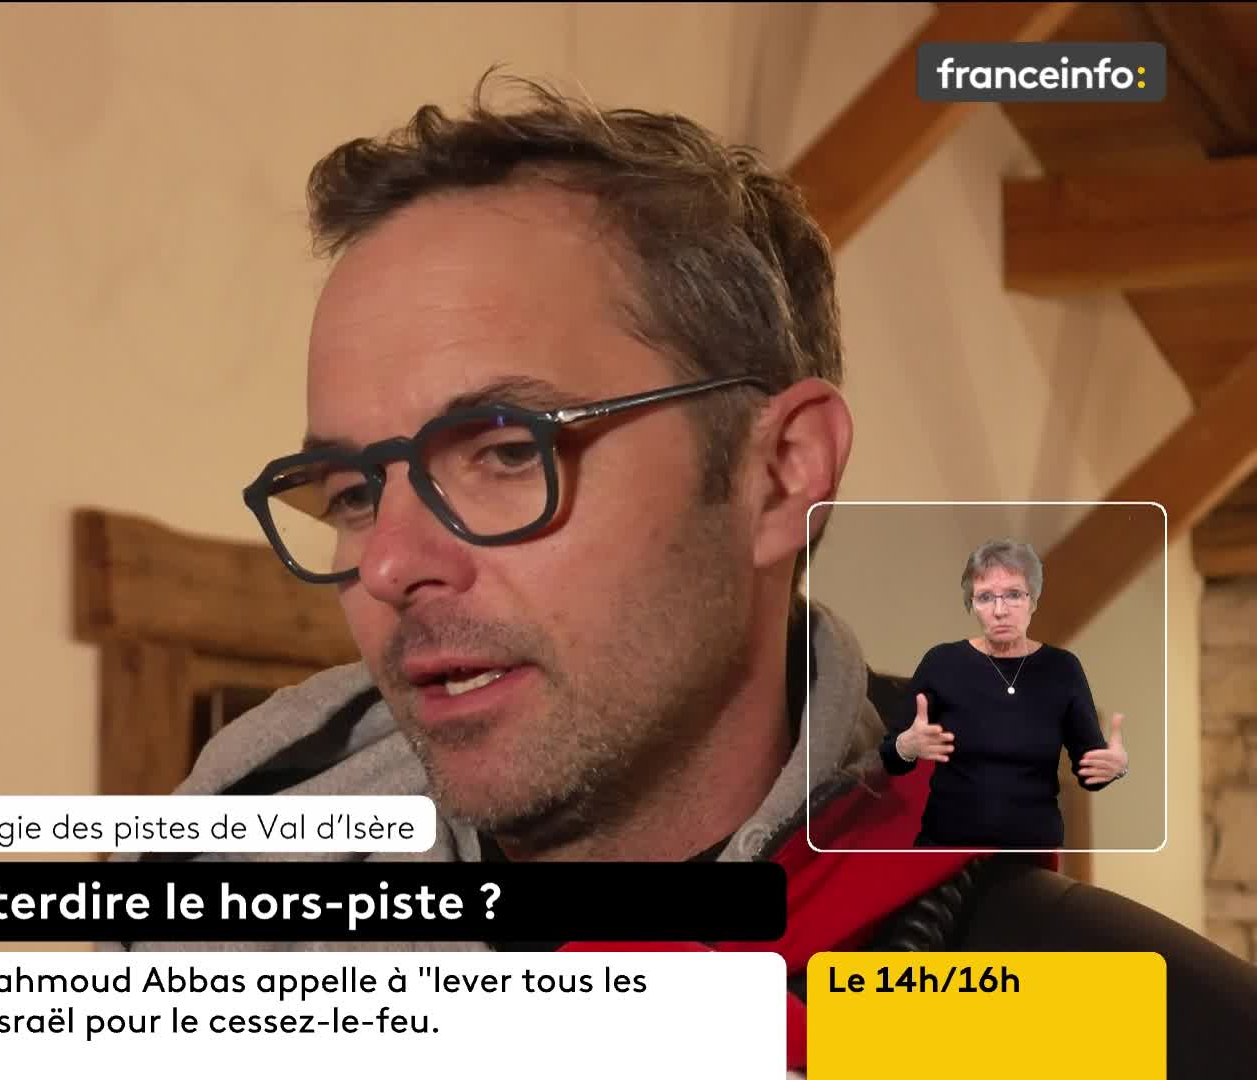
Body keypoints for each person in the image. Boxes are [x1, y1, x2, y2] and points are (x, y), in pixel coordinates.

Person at [111, 73, 1257, 1075]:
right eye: (353, 492)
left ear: (780, 474)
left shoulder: (1143, 1039)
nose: (391, 562)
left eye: (507, 452)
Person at [881, 539, 1129, 849]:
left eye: (1013, 595)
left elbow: (1090, 773)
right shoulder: (942, 662)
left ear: (1033, 601)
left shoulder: (1062, 669)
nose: (1000, 611)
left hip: (1031, 854)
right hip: (946, 850)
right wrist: (906, 745)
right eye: (985, 598)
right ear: (972, 605)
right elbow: (889, 758)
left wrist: (1117, 767)